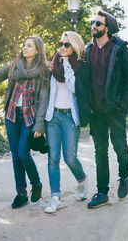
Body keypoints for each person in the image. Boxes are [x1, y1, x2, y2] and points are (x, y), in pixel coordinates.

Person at [0, 36, 50, 209]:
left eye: (29, 46)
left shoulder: (43, 71)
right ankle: (21, 193)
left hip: (29, 117)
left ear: (37, 50)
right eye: (24, 45)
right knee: (15, 156)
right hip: (12, 116)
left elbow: (43, 100)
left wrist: (39, 126)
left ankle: (36, 183)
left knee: (23, 153)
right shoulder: (14, 65)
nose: (25, 48)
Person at [86, 10, 128, 209]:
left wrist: (121, 106)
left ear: (107, 27)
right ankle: (102, 193)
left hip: (115, 110)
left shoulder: (121, 49)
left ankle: (124, 175)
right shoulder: (88, 49)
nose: (94, 26)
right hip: (96, 112)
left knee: (119, 147)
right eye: (93, 22)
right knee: (100, 152)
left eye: (98, 23)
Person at [44, 31, 89, 214]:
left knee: (70, 157)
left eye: (66, 45)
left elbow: (73, 87)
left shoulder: (80, 66)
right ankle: (55, 197)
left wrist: (67, 64)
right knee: (53, 158)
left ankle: (82, 180)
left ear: (75, 47)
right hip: (52, 117)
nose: (61, 47)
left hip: (70, 117)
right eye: (60, 43)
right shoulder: (54, 64)